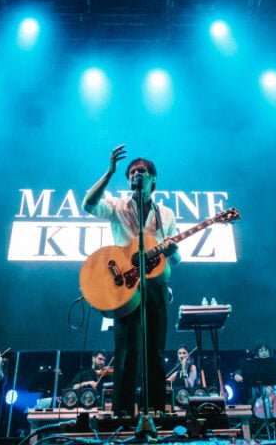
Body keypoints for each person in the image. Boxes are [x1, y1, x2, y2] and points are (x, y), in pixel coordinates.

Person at [82, 145, 180, 418]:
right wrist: (110, 172)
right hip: (124, 288)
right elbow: (88, 205)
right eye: (132, 172)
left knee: (155, 351)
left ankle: (155, 412)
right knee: (126, 352)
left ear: (153, 179)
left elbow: (178, 259)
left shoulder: (167, 215)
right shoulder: (117, 207)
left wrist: (173, 250)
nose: (137, 174)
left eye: (142, 171)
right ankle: (123, 414)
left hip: (157, 284)